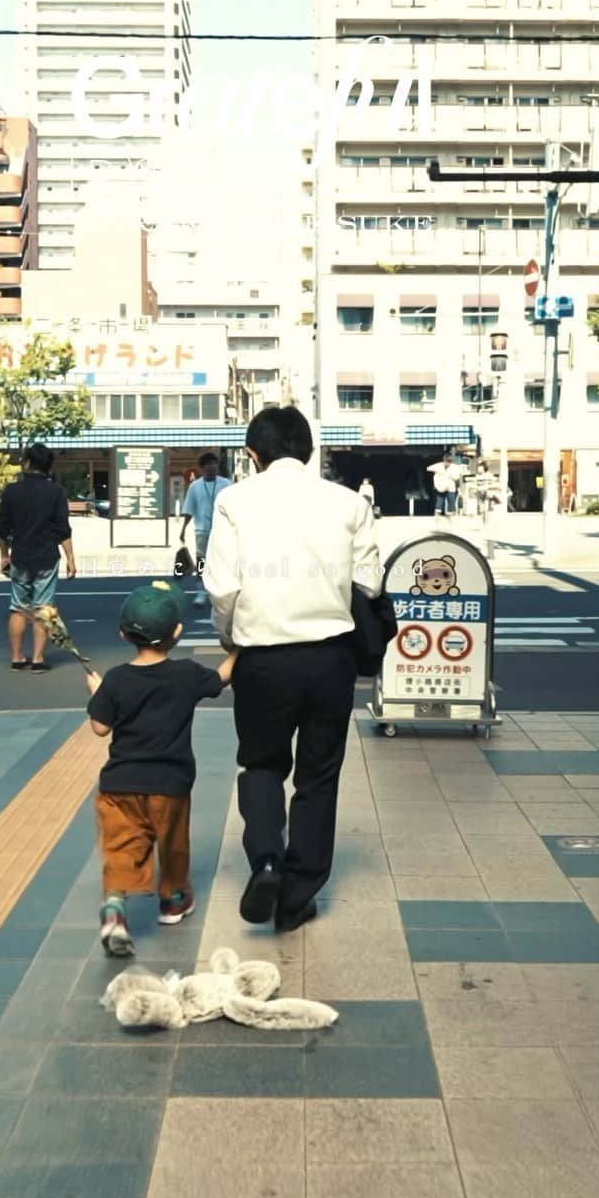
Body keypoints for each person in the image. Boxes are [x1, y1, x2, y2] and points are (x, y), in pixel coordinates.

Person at [203, 406, 383, 933]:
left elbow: (222, 587)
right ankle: (297, 897)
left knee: (261, 765)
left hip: (262, 657)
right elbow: (368, 584)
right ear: (308, 452)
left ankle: (264, 862)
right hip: (331, 658)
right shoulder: (349, 502)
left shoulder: (234, 500)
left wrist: (230, 638)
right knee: (318, 778)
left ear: (252, 456)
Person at [85, 582, 238, 957]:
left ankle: (115, 907)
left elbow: (100, 727)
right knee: (173, 844)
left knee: (120, 847)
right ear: (177, 633)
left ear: (124, 634)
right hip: (170, 784)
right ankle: (173, 900)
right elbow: (221, 678)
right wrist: (241, 649)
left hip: (120, 785)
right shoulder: (186, 673)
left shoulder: (117, 679)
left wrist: (97, 691)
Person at [0, 442, 76, 672]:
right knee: (44, 608)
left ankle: (17, 658)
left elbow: (3, 529)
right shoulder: (57, 492)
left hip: (20, 557)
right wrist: (71, 558)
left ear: (28, 462)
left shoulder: (11, 491)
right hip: (47, 557)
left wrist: (4, 555)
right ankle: (39, 660)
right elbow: (63, 529)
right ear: (49, 467)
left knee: (18, 608)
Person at [179, 452, 232, 606]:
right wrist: (183, 529)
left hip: (223, 530)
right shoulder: (195, 486)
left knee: (222, 562)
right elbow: (189, 509)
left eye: (215, 464)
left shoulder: (227, 484)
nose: (213, 467)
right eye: (209, 464)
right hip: (201, 531)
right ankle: (201, 592)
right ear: (202, 468)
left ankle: (221, 592)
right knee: (201, 562)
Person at [427, 452, 461, 517]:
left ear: (451, 462)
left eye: (448, 462)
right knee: (440, 500)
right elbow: (428, 468)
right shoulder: (439, 466)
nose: (447, 463)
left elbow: (457, 477)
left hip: (450, 487)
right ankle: (437, 515)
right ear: (443, 461)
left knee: (451, 501)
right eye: (445, 462)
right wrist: (438, 473)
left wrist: (451, 476)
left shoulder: (454, 467)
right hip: (441, 486)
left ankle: (451, 515)